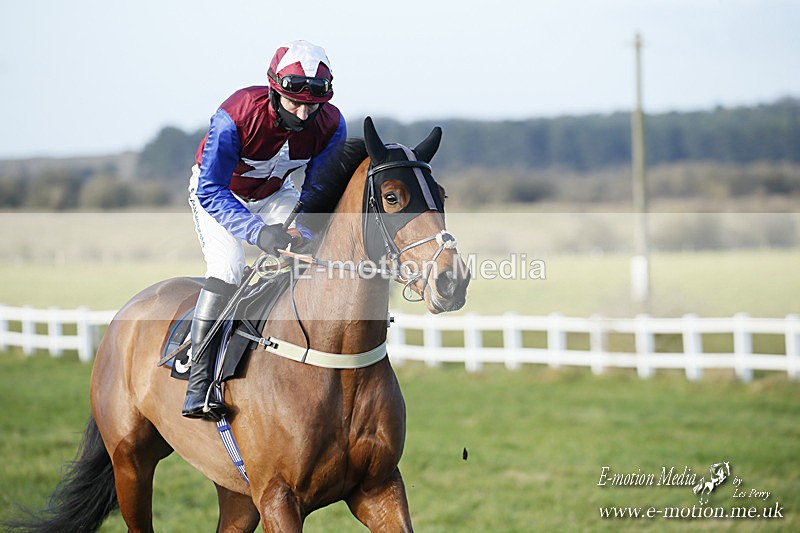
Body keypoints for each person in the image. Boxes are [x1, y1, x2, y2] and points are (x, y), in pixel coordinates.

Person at [183, 40, 347, 420]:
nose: (305, 113)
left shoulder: (332, 123)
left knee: (314, 253)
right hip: (221, 195)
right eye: (296, 102)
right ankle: (199, 382)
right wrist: (259, 233)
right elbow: (210, 189)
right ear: (274, 89)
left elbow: (317, 190)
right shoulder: (235, 116)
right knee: (228, 268)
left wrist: (303, 234)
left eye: (313, 105)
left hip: (278, 194)